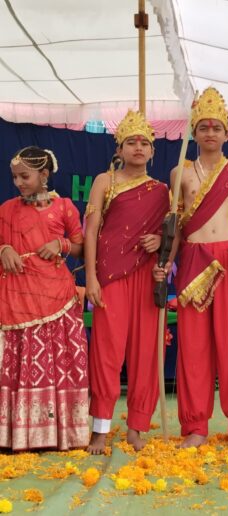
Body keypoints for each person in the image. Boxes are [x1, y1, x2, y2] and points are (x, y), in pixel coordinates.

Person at [155, 87, 228, 448]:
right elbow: (175, 229)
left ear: (227, 132)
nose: (210, 133)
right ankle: (196, 427)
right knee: (194, 348)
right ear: (194, 131)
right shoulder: (180, 173)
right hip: (193, 262)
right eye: (203, 127)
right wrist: (166, 264)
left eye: (216, 127)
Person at [85, 110, 170, 454]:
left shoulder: (162, 190)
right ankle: (100, 429)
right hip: (111, 276)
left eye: (144, 143)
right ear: (119, 149)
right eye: (131, 142)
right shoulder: (105, 181)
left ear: (152, 151)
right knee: (106, 352)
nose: (138, 148)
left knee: (145, 353)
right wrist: (91, 277)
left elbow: (172, 238)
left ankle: (137, 427)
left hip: (146, 276)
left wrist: (160, 243)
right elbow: (91, 230)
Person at [0, 146, 88, 451]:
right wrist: (4, 249)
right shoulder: (7, 210)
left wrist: (60, 244)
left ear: (44, 175)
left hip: (56, 297)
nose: (18, 183)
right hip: (17, 298)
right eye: (15, 177)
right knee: (19, 361)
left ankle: (61, 434)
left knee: (57, 362)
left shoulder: (64, 207)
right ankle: (16, 435)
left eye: (24, 176)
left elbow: (81, 248)